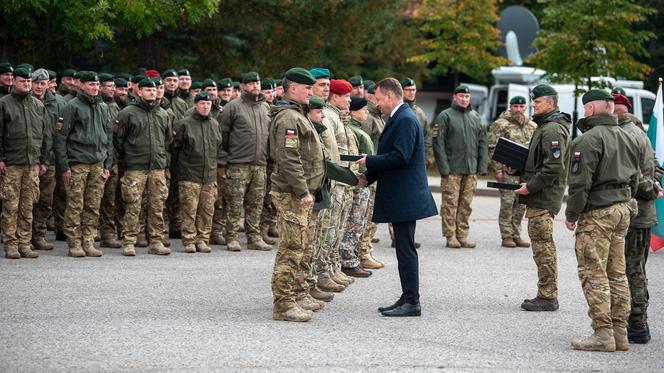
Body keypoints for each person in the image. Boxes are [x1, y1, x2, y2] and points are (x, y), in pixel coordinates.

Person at [565, 89, 640, 352]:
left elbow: (579, 183)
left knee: (592, 272)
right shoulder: (629, 136)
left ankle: (603, 334)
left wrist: (572, 214)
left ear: (591, 109)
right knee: (617, 274)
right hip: (622, 209)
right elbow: (636, 178)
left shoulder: (587, 140)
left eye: (586, 107)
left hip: (597, 212)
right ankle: (621, 334)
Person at [357, 77, 437, 317]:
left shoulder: (405, 119)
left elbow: (400, 156)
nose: (377, 104)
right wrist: (367, 177)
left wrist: (369, 161)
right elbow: (391, 156)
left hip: (405, 197)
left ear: (391, 97)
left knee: (406, 249)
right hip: (402, 195)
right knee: (404, 248)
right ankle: (406, 296)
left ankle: (412, 301)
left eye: (379, 99)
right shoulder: (400, 117)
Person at [269, 67, 326, 322]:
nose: (310, 92)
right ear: (293, 89)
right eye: (307, 88)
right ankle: (283, 304)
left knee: (301, 246)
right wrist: (302, 190)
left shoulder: (298, 115)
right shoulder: (289, 118)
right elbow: (289, 158)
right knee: (291, 248)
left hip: (302, 192)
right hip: (292, 193)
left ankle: (298, 294)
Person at [515, 84, 570, 311]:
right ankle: (546, 293)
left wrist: (530, 187)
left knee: (543, 247)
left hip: (543, 196)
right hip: (540, 194)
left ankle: (548, 296)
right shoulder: (545, 126)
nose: (533, 105)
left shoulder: (553, 129)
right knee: (541, 245)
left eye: (537, 102)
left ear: (551, 102)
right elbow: (539, 161)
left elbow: (553, 168)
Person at [613, 93, 660, 344]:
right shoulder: (637, 131)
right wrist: (656, 185)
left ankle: (637, 324)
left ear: (618, 110)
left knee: (631, 271)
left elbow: (633, 177)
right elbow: (656, 166)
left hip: (635, 213)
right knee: (635, 269)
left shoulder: (627, 134)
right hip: (642, 213)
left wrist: (651, 188)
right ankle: (635, 322)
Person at [54, 71, 113, 257]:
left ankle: (88, 241)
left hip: (97, 163)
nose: (95, 88)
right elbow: (60, 138)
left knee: (93, 205)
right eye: (90, 85)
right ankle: (74, 243)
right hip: (77, 163)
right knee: (75, 204)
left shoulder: (103, 107)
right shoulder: (71, 107)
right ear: (81, 85)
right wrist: (64, 166)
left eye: (97, 85)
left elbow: (108, 137)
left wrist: (107, 164)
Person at [116, 78, 172, 257]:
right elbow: (117, 140)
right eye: (148, 90)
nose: (152, 93)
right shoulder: (128, 113)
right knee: (133, 206)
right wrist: (128, 159)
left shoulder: (163, 114)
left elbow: (167, 140)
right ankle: (129, 241)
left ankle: (156, 241)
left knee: (157, 205)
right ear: (139, 91)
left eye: (154, 90)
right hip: (135, 167)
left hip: (157, 168)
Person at [0, 67, 50, 259]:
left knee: (28, 205)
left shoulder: (38, 105)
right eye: (23, 81)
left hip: (32, 163)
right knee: (11, 206)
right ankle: (11, 244)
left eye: (29, 82)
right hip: (12, 162)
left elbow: (44, 135)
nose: (27, 84)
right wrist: (1, 158)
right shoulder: (4, 103)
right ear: (14, 81)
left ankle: (24, 242)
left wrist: (43, 160)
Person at [219, 71, 272, 252]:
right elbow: (222, 135)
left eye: (257, 82)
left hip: (260, 163)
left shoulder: (266, 107)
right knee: (235, 202)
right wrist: (228, 157)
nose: (255, 86)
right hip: (238, 163)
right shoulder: (233, 107)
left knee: (256, 203)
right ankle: (232, 237)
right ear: (243, 86)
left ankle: (254, 237)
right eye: (250, 83)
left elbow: (270, 135)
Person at [433, 85, 487, 248]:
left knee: (465, 205)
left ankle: (462, 235)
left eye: (467, 97)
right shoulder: (445, 116)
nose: (464, 99)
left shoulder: (475, 117)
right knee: (450, 204)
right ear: (454, 97)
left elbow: (483, 142)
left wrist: (482, 166)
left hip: (471, 170)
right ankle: (450, 236)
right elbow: (438, 143)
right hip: (452, 170)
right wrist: (444, 168)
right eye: (461, 96)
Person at [172, 92, 223, 253]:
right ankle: (188, 240)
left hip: (209, 176)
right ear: (196, 105)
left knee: (207, 210)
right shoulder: (184, 124)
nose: (205, 106)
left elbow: (218, 146)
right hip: (189, 175)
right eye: (202, 104)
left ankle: (202, 239)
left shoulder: (215, 124)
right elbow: (175, 148)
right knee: (189, 210)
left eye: (208, 104)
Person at [488, 96, 536, 248]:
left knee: (521, 204)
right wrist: (497, 170)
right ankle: (506, 236)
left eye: (522, 107)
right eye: (515, 106)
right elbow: (493, 147)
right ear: (510, 107)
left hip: (524, 172)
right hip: (507, 171)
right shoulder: (500, 124)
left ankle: (516, 234)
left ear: (526, 108)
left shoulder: (531, 125)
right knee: (508, 203)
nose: (519, 110)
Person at [343, 95, 383, 270]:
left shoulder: (360, 127)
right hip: (365, 179)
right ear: (353, 112)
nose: (366, 112)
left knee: (363, 219)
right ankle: (360, 253)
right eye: (363, 110)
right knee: (360, 220)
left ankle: (362, 252)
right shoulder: (358, 132)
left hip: (369, 176)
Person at [30, 68, 63, 251]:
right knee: (28, 201)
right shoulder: (26, 102)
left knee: (46, 200)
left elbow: (59, 133)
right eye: (36, 83)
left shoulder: (56, 103)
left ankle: (39, 235)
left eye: (43, 83)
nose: (40, 87)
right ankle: (24, 237)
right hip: (30, 159)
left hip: (49, 159)